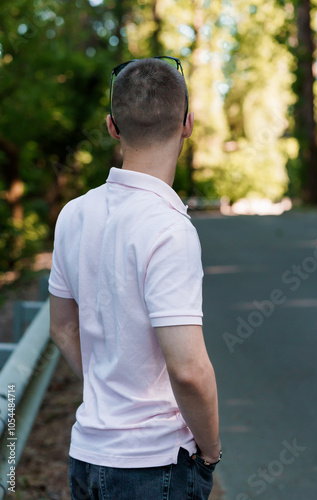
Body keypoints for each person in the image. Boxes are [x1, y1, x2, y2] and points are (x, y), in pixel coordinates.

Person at [48, 56, 221, 500]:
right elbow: (189, 371)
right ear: (187, 123)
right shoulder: (169, 230)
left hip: (87, 455)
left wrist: (108, 389)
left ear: (112, 126)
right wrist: (211, 451)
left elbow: (63, 327)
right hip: (153, 466)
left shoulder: (73, 214)